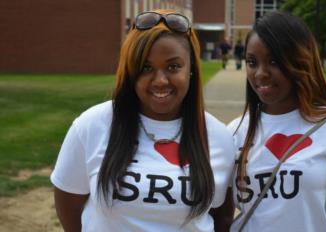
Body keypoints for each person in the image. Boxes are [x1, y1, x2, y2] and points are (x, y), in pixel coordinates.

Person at [50, 9, 235, 232]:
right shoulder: (91, 125)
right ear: (130, 71)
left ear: (191, 70)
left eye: (173, 66)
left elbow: (221, 217)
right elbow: (69, 204)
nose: (160, 80)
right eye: (146, 68)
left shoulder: (218, 136)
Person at [227, 11, 326, 232]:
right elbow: (221, 217)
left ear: (299, 62)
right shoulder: (234, 132)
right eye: (252, 62)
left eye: (274, 61)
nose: (261, 73)